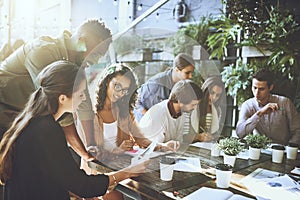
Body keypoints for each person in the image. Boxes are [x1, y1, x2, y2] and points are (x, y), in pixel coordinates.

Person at [0, 61, 149, 200]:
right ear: (63, 98)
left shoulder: (33, 121)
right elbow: (82, 185)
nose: (84, 98)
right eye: (80, 93)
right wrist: (128, 172)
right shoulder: (47, 131)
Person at [0, 19, 112, 162]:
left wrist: (91, 145)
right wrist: (84, 154)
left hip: (19, 118)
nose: (95, 61)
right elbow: (57, 106)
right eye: (95, 54)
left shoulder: (75, 64)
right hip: (4, 112)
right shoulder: (42, 51)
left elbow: (85, 106)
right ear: (81, 42)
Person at [84, 63, 177, 156]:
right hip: (97, 168)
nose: (120, 93)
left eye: (124, 90)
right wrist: (117, 150)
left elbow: (141, 139)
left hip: (119, 163)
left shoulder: (124, 112)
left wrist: (162, 146)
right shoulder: (90, 112)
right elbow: (91, 150)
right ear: (107, 81)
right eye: (117, 86)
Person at [236, 69, 300, 146]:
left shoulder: (284, 103)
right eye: (254, 88)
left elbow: (297, 129)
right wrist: (259, 114)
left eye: (261, 89)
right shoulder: (248, 105)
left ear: (270, 87)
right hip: (260, 150)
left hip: (283, 149)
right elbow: (239, 133)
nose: (257, 93)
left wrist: (291, 149)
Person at [134, 53, 195, 122]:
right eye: (187, 73)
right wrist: (148, 117)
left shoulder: (183, 84)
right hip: (145, 123)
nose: (190, 76)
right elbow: (136, 101)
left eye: (192, 72)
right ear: (177, 70)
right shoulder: (156, 84)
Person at [139, 79, 203, 144]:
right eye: (193, 105)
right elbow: (151, 146)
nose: (195, 108)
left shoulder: (181, 112)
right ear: (180, 101)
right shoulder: (158, 114)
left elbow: (178, 139)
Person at [191, 76, 226, 142]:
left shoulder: (217, 110)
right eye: (212, 93)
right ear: (206, 90)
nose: (214, 97)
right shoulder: (193, 106)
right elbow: (182, 135)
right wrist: (198, 137)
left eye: (218, 95)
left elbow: (215, 132)